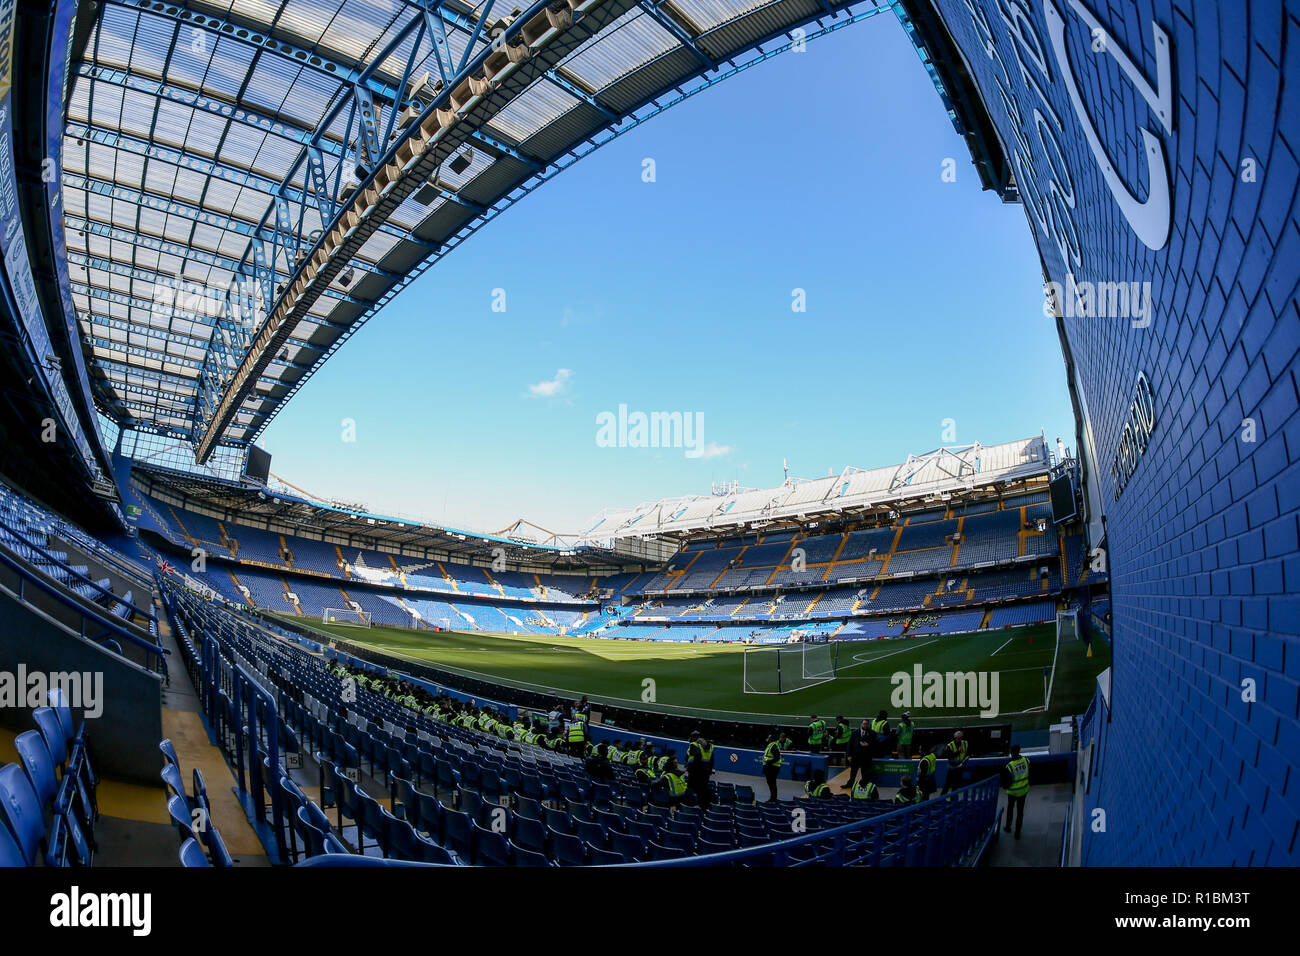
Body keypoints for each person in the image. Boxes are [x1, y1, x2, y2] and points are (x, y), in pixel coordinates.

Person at [1002, 745, 1030, 838]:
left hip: (1013, 792)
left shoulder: (1009, 766)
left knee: (1010, 809)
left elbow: (1007, 782)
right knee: (1020, 812)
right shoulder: (1026, 760)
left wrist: (1005, 787)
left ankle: (1008, 827)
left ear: (1011, 753)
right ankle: (1017, 833)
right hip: (1023, 791)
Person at [686, 732, 715, 810]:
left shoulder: (693, 745)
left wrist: (689, 768)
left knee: (691, 789)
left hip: (694, 773)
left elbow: (691, 758)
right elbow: (711, 761)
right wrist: (709, 771)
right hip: (705, 773)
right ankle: (702, 807)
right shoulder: (710, 746)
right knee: (702, 791)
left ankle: (689, 806)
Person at [843, 719, 873, 791]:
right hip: (855, 756)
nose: (865, 725)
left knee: (864, 773)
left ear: (868, 725)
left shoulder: (872, 733)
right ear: (861, 724)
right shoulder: (855, 732)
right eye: (864, 724)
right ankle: (850, 784)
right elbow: (849, 744)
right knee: (853, 772)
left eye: (866, 724)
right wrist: (849, 755)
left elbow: (875, 743)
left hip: (866, 757)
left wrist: (868, 744)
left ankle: (864, 785)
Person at [762, 732, 782, 803]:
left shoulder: (774, 746)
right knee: (771, 783)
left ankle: (773, 798)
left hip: (772, 768)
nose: (768, 738)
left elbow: (777, 757)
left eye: (769, 737)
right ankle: (773, 798)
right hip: (769, 768)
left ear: (771, 739)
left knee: (772, 783)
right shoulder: (770, 745)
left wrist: (768, 763)